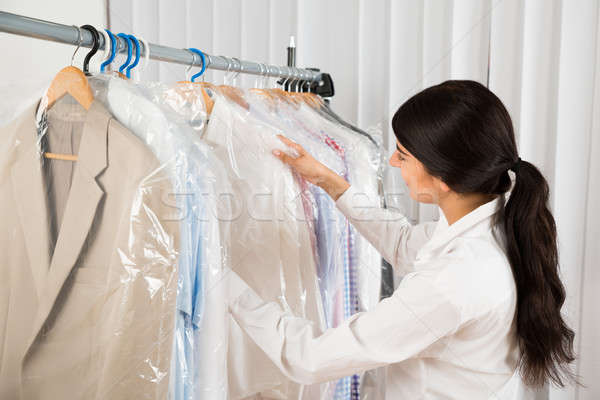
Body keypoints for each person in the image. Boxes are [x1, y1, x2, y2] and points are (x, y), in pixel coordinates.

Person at [225, 80, 577, 399]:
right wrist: (331, 182)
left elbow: (310, 358)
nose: (393, 162)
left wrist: (223, 284)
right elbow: (405, 242)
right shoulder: (496, 223)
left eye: (403, 155)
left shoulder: (456, 278)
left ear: (442, 178)